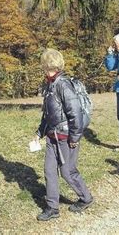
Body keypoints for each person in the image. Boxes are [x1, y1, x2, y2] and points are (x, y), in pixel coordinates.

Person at [33, 48, 93, 221]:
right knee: (49, 171)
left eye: (43, 65)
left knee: (67, 171)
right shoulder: (50, 85)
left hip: (66, 138)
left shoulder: (63, 85)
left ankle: (86, 198)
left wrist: (74, 138)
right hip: (53, 137)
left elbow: (76, 114)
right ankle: (52, 208)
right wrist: (39, 133)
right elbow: (49, 115)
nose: (42, 68)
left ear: (48, 65)